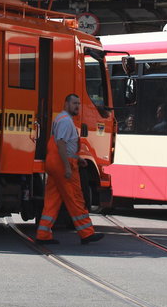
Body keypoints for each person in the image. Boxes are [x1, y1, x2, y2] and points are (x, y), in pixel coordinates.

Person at [36, 94, 105, 245]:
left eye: (79, 104)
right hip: (63, 165)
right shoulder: (66, 122)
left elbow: (62, 145)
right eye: (74, 103)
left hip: (54, 163)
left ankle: (43, 234)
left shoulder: (60, 119)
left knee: (52, 201)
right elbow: (61, 144)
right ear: (66, 103)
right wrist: (68, 166)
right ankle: (87, 233)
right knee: (75, 198)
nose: (77, 106)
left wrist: (78, 158)